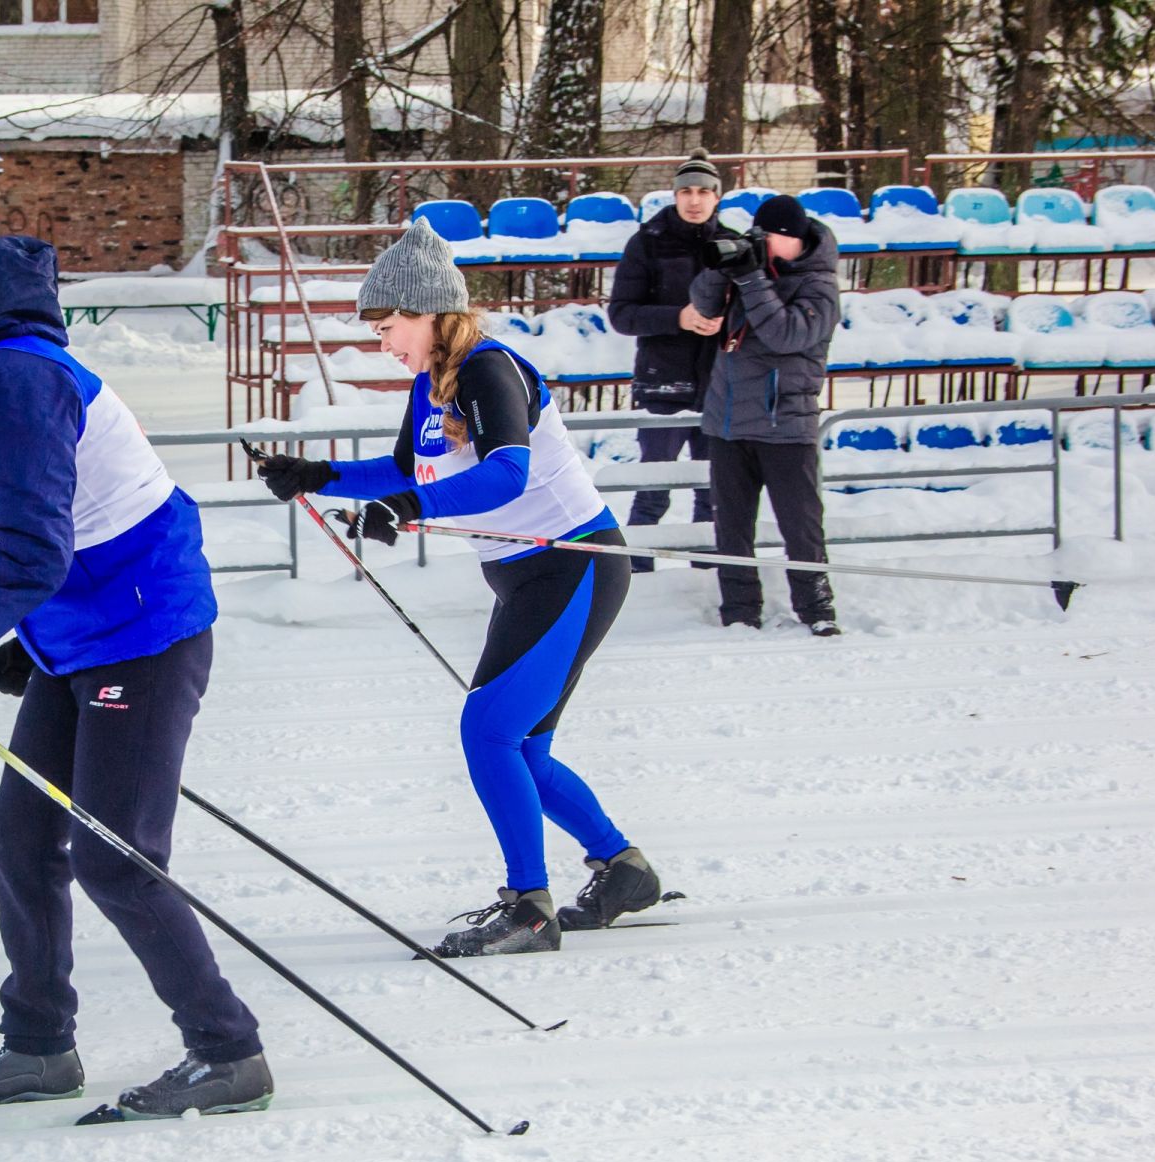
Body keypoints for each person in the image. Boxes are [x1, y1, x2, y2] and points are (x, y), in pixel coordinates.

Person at [0, 229, 271, 1120]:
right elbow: (64, 527)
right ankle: (38, 1047)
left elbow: (35, 548)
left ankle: (227, 1051)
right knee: (24, 844)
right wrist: (26, 641)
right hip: (84, 633)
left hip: (143, 636)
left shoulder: (14, 378)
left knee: (117, 861)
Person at [254, 220, 662, 955]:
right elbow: (409, 469)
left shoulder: (487, 369)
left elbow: (509, 470)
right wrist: (319, 476)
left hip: (572, 563)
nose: (381, 341)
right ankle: (622, 867)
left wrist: (409, 511)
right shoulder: (429, 381)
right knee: (522, 746)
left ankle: (528, 907)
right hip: (529, 577)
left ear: (431, 314)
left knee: (489, 731)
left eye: (388, 326)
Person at [689, 193, 843, 637]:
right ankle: (739, 610)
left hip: (786, 423)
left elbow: (785, 334)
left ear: (797, 242)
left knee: (801, 527)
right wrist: (724, 269)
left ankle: (817, 610)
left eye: (776, 238)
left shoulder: (820, 286)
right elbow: (703, 305)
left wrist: (752, 279)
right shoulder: (750, 270)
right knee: (732, 527)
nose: (768, 244)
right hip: (728, 422)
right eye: (763, 235)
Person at [607, 148, 729, 571]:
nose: (694, 200)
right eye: (686, 192)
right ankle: (633, 574)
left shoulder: (734, 243)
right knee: (653, 487)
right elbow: (621, 314)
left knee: (713, 492)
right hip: (663, 384)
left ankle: (704, 577)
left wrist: (726, 320)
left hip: (719, 383)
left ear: (717, 196)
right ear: (674, 196)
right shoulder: (647, 242)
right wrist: (679, 317)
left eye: (703, 192)